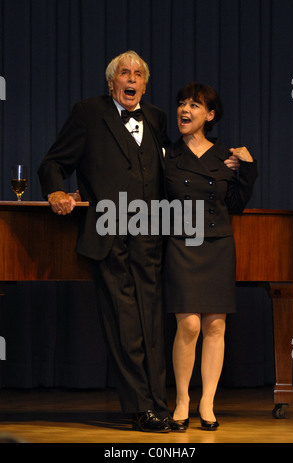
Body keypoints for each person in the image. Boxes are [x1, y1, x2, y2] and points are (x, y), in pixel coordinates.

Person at [38, 50, 186, 433]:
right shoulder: (89, 113)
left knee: (152, 325)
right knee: (125, 325)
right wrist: (56, 191)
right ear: (112, 82)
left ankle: (158, 405)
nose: (132, 78)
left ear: (145, 83)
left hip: (151, 237)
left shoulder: (155, 118)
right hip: (109, 235)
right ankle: (140, 409)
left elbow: (168, 171)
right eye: (125, 73)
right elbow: (53, 163)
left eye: (139, 73)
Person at [163, 82, 258, 430]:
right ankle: (182, 399)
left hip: (218, 243)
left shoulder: (226, 157)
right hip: (180, 244)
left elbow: (236, 205)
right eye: (182, 104)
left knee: (215, 325)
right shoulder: (167, 155)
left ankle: (207, 402)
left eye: (194, 106)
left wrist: (247, 169)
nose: (185, 111)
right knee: (188, 325)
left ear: (210, 115)